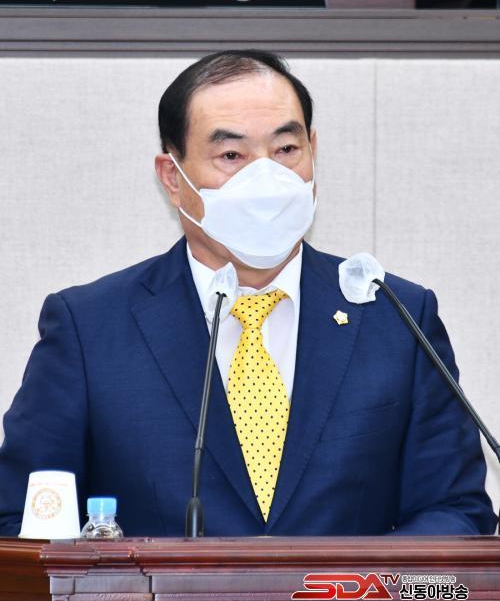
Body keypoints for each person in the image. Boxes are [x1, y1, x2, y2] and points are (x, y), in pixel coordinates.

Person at [0, 50, 496, 537]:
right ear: (172, 177)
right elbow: (20, 521)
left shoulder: (398, 317)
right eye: (232, 156)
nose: (268, 178)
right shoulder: (90, 329)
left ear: (313, 150)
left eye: (286, 150)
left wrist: (343, 582)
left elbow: (456, 512)